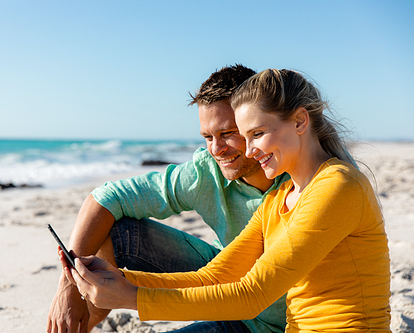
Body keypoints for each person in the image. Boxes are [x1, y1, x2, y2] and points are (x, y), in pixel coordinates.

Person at [61, 69, 391, 332]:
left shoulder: (338, 186)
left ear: (300, 121)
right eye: (245, 137)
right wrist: (121, 281)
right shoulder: (278, 198)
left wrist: (132, 298)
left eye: (257, 134)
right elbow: (216, 276)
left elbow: (254, 294)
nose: (248, 151)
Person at [47, 65, 290, 333]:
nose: (216, 149)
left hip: (276, 320)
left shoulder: (301, 177)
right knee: (118, 230)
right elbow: (106, 198)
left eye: (227, 133)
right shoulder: (206, 171)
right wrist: (69, 287)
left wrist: (131, 295)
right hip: (223, 290)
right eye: (208, 137)